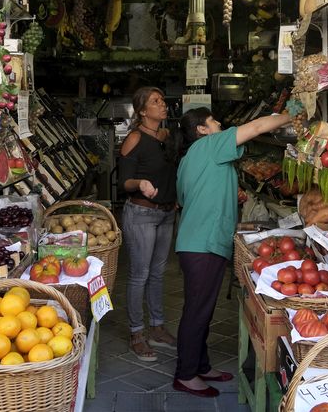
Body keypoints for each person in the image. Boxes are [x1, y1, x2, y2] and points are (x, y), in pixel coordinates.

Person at [173, 107, 292, 397]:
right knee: (197, 311)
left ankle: (200, 365)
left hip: (196, 242)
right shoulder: (210, 145)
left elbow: (182, 199)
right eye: (213, 120)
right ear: (202, 129)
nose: (219, 122)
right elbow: (258, 125)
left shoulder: (189, 158)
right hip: (203, 243)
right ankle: (186, 374)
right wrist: (294, 114)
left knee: (202, 308)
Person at [118, 86, 178, 362]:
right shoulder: (134, 138)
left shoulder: (165, 137)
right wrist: (139, 183)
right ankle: (137, 333)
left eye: (162, 100)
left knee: (157, 273)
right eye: (155, 102)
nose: (162, 105)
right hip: (141, 214)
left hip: (166, 214)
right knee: (140, 275)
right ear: (143, 111)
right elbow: (124, 182)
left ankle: (156, 326)